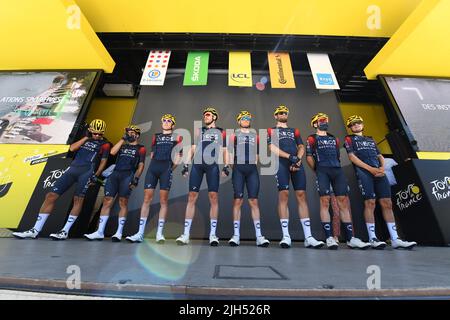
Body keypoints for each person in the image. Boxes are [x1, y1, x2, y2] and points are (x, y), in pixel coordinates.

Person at [13, 119, 110, 240]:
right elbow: (72, 148)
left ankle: (65, 231)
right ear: (90, 131)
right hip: (72, 169)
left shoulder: (105, 144)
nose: (97, 136)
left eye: (100, 134)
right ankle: (35, 229)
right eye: (95, 133)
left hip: (86, 172)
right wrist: (86, 138)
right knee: (51, 195)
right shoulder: (85, 139)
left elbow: (103, 161)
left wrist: (96, 175)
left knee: (78, 200)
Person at [344, 115, 417, 249]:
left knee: (387, 203)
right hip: (364, 172)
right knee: (370, 202)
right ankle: (373, 238)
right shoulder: (349, 139)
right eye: (353, 124)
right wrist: (370, 169)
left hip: (379, 171)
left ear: (362, 124)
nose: (356, 125)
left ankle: (395, 239)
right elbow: (352, 157)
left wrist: (382, 167)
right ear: (350, 127)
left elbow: (379, 156)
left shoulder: (370, 139)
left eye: (358, 123)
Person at [306, 112, 369, 250]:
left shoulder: (334, 138)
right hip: (322, 170)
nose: (325, 122)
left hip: (337, 170)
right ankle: (329, 237)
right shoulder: (311, 138)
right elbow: (309, 157)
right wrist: (317, 170)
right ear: (315, 123)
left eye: (326, 119)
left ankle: (350, 238)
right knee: (324, 202)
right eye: (322, 120)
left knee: (343, 203)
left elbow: (338, 156)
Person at [267, 105, 324, 249]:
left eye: (285, 112)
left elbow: (301, 146)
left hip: (296, 162)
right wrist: (289, 157)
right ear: (276, 116)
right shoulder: (271, 130)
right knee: (284, 195)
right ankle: (286, 236)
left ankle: (308, 237)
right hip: (281, 163)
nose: (283, 114)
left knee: (301, 195)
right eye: (280, 112)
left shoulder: (294, 130)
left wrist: (298, 159)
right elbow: (271, 148)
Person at [126, 114, 183, 243]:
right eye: (164, 120)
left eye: (169, 121)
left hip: (165, 169)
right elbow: (152, 154)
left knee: (163, 201)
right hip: (153, 169)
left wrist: (169, 169)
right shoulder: (155, 137)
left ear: (173, 125)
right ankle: (140, 233)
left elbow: (179, 156)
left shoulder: (178, 137)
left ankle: (159, 234)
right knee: (146, 199)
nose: (166, 122)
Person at [176, 107, 229, 246]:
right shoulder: (200, 131)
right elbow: (193, 148)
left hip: (212, 166)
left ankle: (213, 235)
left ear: (214, 117)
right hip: (197, 166)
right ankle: (186, 234)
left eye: (208, 115)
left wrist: (226, 166)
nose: (205, 117)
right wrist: (186, 165)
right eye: (204, 115)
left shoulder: (221, 132)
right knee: (192, 197)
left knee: (213, 198)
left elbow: (224, 151)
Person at [84, 125, 146, 242]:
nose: (129, 134)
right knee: (107, 200)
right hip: (115, 174)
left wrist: (136, 178)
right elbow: (112, 152)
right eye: (127, 132)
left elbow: (141, 165)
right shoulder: (123, 146)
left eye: (131, 133)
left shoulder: (141, 148)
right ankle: (100, 232)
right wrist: (123, 139)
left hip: (128, 175)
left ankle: (119, 232)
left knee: (123, 202)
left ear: (137, 135)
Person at [228, 111, 270, 247]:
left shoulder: (255, 136)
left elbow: (257, 155)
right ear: (238, 121)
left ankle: (259, 236)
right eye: (243, 118)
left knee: (254, 202)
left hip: (251, 169)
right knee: (238, 201)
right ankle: (236, 236)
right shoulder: (233, 136)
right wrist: (234, 167)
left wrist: (250, 165)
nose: (246, 120)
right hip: (238, 169)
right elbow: (229, 153)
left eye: (248, 118)